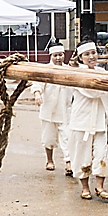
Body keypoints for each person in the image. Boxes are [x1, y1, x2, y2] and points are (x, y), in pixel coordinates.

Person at [68, 41, 108, 201]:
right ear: (80, 57)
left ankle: (100, 187)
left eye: (94, 52)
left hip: (99, 121)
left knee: (102, 153)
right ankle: (84, 188)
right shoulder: (75, 73)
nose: (91, 57)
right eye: (87, 54)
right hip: (81, 120)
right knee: (82, 155)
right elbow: (92, 90)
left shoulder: (102, 71)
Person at [30, 44, 72, 175]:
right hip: (48, 110)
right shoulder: (45, 70)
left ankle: (68, 163)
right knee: (48, 138)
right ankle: (49, 160)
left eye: (60, 55)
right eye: (55, 55)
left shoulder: (70, 70)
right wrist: (37, 94)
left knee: (68, 137)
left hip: (66, 111)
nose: (58, 58)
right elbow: (37, 83)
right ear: (51, 56)